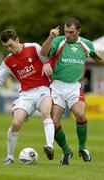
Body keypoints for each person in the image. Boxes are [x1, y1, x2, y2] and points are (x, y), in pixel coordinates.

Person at [0, 29, 55, 164]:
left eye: (11, 45)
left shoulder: (33, 47)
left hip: (43, 89)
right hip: (26, 94)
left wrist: (47, 64)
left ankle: (49, 146)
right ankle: (10, 157)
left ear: (17, 40)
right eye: (6, 47)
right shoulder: (8, 61)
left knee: (46, 112)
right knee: (16, 123)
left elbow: (47, 59)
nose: (9, 49)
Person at [40, 17, 104, 165]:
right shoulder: (58, 41)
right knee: (54, 123)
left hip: (74, 87)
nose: (68, 35)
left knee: (81, 115)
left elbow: (97, 57)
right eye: (66, 31)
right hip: (57, 87)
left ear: (78, 31)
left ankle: (82, 148)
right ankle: (67, 151)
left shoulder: (86, 44)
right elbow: (44, 53)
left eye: (71, 32)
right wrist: (50, 37)